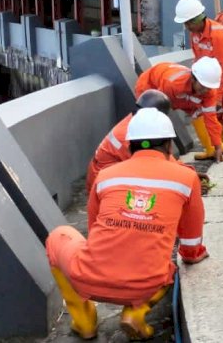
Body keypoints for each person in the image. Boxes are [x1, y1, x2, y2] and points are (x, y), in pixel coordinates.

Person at [46, 108, 209, 340]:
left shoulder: (106, 175)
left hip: (89, 278)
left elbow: (95, 231)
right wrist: (194, 254)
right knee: (167, 269)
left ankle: (85, 322)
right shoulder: (186, 178)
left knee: (59, 236)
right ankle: (136, 311)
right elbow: (191, 241)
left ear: (129, 145)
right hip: (147, 285)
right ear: (169, 146)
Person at [178, 0, 223, 147]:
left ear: (198, 19)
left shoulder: (218, 34)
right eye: (185, 23)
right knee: (214, 111)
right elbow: (197, 60)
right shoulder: (194, 34)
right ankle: (216, 144)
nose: (186, 27)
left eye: (188, 23)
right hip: (213, 76)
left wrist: (217, 96)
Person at [135, 58, 223, 161]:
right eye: (202, 87)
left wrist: (218, 146)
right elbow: (161, 114)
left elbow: (211, 120)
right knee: (152, 118)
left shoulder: (209, 92)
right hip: (149, 85)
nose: (205, 91)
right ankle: (154, 155)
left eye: (208, 87)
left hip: (178, 89)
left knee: (198, 113)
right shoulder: (172, 84)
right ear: (193, 78)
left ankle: (210, 149)